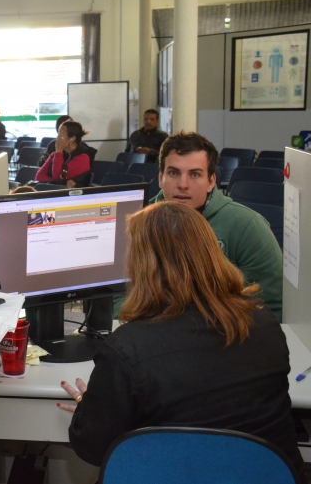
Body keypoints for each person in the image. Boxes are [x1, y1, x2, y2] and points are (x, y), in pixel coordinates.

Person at [58, 201, 305, 481]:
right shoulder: (264, 322)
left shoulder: (127, 349)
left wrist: (89, 405)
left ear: (142, 266)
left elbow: (92, 448)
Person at [151, 131, 283, 320]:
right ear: (160, 178)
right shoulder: (139, 222)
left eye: (195, 174)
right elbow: (118, 293)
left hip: (223, 330)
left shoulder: (247, 226)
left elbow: (270, 304)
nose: (183, 184)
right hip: (154, 329)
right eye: (173, 173)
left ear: (211, 182)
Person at [35, 121, 93, 187]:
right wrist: (58, 182)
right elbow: (39, 177)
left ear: (72, 139)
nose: (57, 138)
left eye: (61, 134)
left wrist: (59, 151)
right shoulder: (55, 154)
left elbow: (57, 176)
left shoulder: (83, 158)